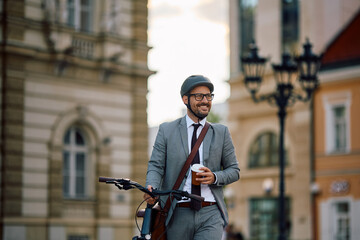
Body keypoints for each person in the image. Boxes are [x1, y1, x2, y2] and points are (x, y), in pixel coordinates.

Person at [144, 75, 240, 240]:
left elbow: (234, 170)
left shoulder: (221, 132)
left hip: (210, 211)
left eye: (209, 96)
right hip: (177, 212)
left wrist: (215, 177)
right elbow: (156, 165)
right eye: (199, 96)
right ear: (185, 99)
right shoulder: (167, 130)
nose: (205, 100)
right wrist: (150, 187)